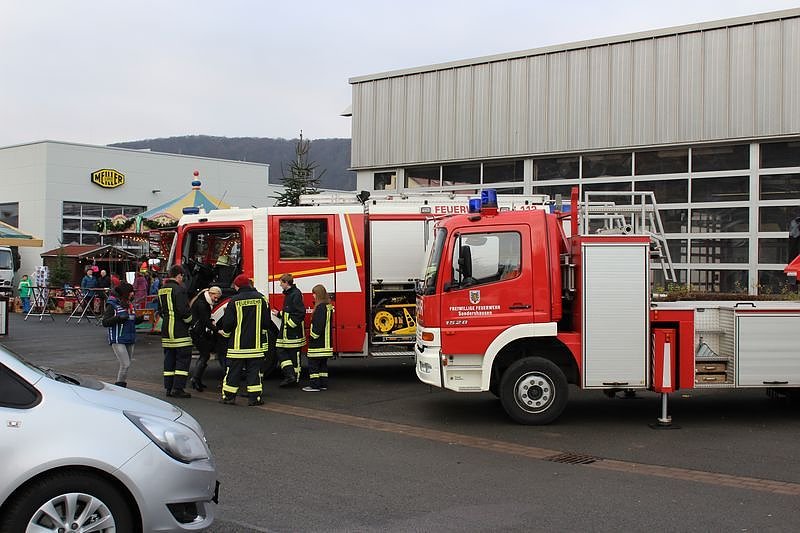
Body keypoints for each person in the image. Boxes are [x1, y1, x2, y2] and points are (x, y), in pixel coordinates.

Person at [216, 274, 271, 406]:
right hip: (255, 345)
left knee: (233, 372)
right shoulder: (261, 299)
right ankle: (255, 398)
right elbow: (266, 323)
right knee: (254, 372)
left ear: (237, 286)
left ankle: (229, 397)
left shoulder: (233, 301)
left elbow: (228, 324)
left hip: (237, 346)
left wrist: (226, 333)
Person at [157, 265, 193, 398]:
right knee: (183, 359)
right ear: (179, 275)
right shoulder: (179, 290)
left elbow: (160, 310)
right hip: (179, 331)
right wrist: (190, 321)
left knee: (169, 359)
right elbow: (184, 311)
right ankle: (178, 388)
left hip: (166, 330)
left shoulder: (162, 290)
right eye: (182, 276)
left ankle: (168, 387)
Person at [101, 282, 143, 387]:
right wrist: (118, 318)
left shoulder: (130, 304)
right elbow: (105, 322)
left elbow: (131, 319)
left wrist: (140, 319)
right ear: (125, 293)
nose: (133, 294)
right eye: (131, 292)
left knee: (126, 365)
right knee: (125, 364)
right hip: (117, 339)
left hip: (130, 338)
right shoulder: (112, 304)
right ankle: (119, 386)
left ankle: (121, 385)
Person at [188, 286, 222, 392]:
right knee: (205, 355)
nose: (216, 300)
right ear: (211, 294)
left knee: (204, 355)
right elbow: (205, 320)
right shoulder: (203, 304)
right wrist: (217, 330)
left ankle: (197, 379)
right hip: (198, 332)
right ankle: (195, 379)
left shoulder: (202, 300)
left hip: (197, 331)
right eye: (215, 297)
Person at [275, 273, 305, 387]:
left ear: (286, 283)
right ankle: (290, 375)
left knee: (294, 356)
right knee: (280, 349)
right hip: (286, 332)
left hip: (293, 333)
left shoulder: (295, 294)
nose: (280, 285)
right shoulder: (290, 294)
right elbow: (290, 311)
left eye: (281, 282)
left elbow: (300, 313)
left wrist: (291, 324)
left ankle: (294, 379)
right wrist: (279, 314)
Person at [303, 284, 334, 392]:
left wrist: (313, 335)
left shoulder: (320, 308)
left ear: (319, 294)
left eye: (314, 294)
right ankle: (323, 384)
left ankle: (315, 385)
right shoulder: (327, 306)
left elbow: (318, 326)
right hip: (326, 343)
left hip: (318, 343)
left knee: (313, 364)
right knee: (322, 366)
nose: (313, 296)